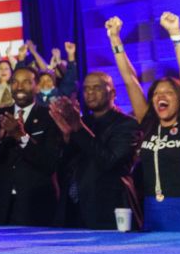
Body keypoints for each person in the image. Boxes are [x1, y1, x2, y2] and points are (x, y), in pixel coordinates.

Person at [109, 14, 180, 232]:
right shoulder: (148, 122)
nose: (160, 97)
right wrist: (115, 40)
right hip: (153, 210)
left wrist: (176, 35)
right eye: (156, 94)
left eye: (168, 93)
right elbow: (130, 80)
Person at [49, 72, 142, 230]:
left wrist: (79, 129)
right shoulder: (82, 121)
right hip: (73, 208)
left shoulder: (127, 124)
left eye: (96, 87)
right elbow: (64, 164)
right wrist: (66, 137)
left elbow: (110, 161)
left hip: (108, 209)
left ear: (112, 93)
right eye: (86, 89)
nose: (90, 92)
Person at [0, 65, 61, 226]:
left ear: (37, 86)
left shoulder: (49, 116)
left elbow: (50, 163)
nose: (19, 86)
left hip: (34, 203)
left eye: (26, 82)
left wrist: (21, 136)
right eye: (15, 82)